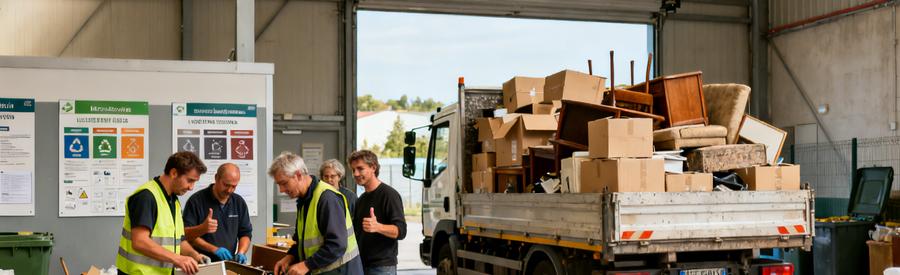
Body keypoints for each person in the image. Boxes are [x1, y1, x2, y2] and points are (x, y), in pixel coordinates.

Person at [116, 152, 211, 275]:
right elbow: (140, 241)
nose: (191, 187)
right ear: (174, 173)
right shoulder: (146, 197)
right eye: (190, 180)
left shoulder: (174, 201)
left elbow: (179, 242)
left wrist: (195, 256)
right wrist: (178, 259)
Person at [269, 152, 363, 275]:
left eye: (284, 183)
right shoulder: (304, 200)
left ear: (298, 175)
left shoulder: (327, 198)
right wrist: (290, 257)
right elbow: (301, 241)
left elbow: (337, 245)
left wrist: (306, 265)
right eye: (279, 185)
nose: (281, 190)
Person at [349, 150, 407, 275]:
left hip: (382, 267)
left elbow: (401, 231)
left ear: (373, 167)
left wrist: (378, 227)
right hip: (362, 265)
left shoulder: (389, 195)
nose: (356, 173)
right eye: (353, 170)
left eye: (360, 169)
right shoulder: (361, 199)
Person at [182, 163, 252, 264]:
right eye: (226, 185)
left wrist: (241, 252)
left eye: (234, 186)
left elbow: (245, 233)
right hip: (202, 263)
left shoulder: (238, 202)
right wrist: (213, 248)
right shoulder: (196, 201)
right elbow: (185, 235)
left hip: (228, 263)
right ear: (216, 178)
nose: (229, 190)